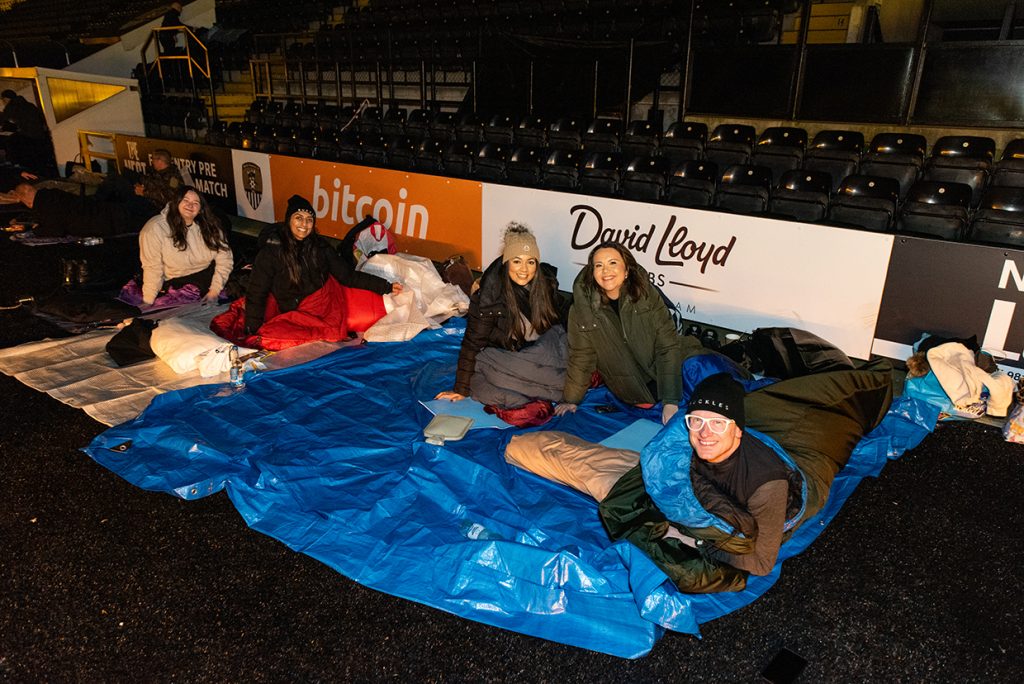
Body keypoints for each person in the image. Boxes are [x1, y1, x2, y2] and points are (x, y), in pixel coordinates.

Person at [667, 373, 801, 576]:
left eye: (717, 423)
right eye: (696, 420)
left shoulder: (766, 483)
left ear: (738, 430)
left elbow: (762, 563)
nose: (704, 433)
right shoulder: (689, 446)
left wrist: (696, 542)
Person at [436, 223, 570, 409]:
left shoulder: (545, 285)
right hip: (507, 355)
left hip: (541, 353)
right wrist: (461, 388)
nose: (524, 269)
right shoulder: (489, 295)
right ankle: (533, 394)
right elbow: (473, 342)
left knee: (560, 373)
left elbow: (562, 328)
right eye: (516, 261)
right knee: (491, 375)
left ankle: (536, 391)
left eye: (530, 262)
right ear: (507, 262)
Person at [555, 241, 683, 424]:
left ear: (627, 271)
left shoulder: (646, 295)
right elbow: (582, 357)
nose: (606, 271)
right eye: (599, 265)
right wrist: (571, 399)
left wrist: (671, 400)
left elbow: (667, 345)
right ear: (593, 273)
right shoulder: (581, 310)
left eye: (613, 263)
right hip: (633, 391)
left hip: (669, 375)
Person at [242, 194, 401, 335]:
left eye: (309, 220)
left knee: (378, 312)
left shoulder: (320, 247)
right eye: (299, 217)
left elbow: (347, 276)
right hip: (293, 311)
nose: (304, 224)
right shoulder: (271, 252)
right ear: (288, 220)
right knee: (282, 338)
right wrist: (252, 328)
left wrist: (385, 286)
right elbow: (257, 292)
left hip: (324, 304)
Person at [138, 186, 232, 305]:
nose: (190, 205)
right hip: (177, 285)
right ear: (176, 202)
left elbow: (225, 259)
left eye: (195, 203)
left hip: (209, 279)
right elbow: (152, 269)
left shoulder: (210, 226)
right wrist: (148, 303)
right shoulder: (155, 229)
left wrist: (214, 291)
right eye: (185, 200)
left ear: (201, 209)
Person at [11, 182, 149, 237]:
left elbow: (56, 230)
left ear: (25, 198)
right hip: (107, 211)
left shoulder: (44, 206)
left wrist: (36, 230)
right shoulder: (51, 193)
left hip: (103, 223)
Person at [0, 89, 54, 176]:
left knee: (9, 141)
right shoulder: (29, 105)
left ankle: (14, 165)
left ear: (6, 99)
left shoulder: (11, 106)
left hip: (28, 136)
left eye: (3, 100)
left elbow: (4, 121)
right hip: (40, 137)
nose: (3, 102)